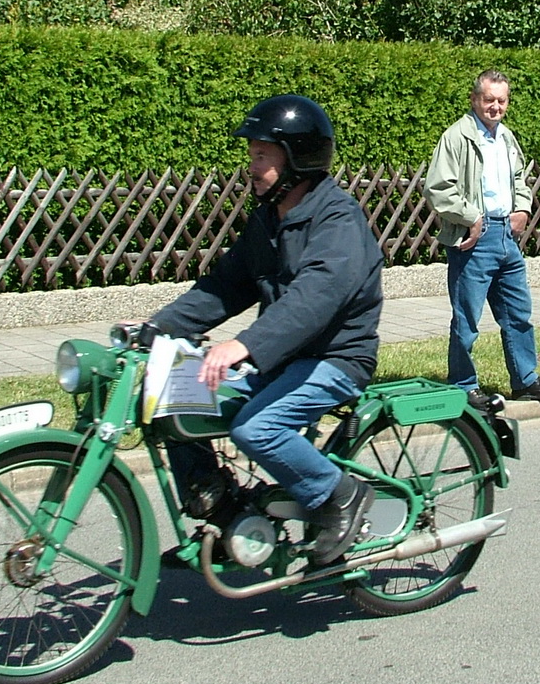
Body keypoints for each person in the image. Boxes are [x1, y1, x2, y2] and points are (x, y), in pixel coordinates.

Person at [141, 94, 383, 566]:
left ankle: (341, 496)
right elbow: (226, 286)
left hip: (334, 359)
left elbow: (314, 299)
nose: (250, 167)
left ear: (296, 161)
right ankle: (224, 510)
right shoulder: (270, 219)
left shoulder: (338, 220)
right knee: (171, 400)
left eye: (261, 156)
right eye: (250, 155)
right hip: (284, 359)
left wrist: (244, 345)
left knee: (258, 427)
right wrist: (158, 327)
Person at [425, 70, 540, 409]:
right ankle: (463, 386)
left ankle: (526, 380)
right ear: (475, 100)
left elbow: (519, 177)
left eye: (501, 101)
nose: (495, 107)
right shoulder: (457, 137)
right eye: (489, 100)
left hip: (507, 236)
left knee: (518, 313)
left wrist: (523, 208)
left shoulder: (505, 137)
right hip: (474, 238)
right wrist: (471, 217)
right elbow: (438, 188)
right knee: (467, 320)